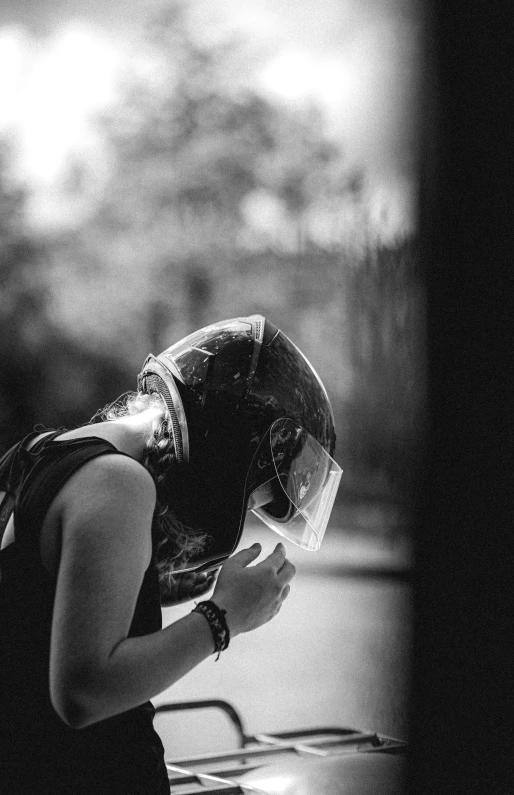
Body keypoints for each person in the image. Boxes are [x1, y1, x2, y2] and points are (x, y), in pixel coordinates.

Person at [0, 314, 342, 794]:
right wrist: (223, 618)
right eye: (248, 495)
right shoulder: (119, 483)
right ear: (231, 454)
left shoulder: (43, 453)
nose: (238, 509)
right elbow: (81, 691)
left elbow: (38, 628)